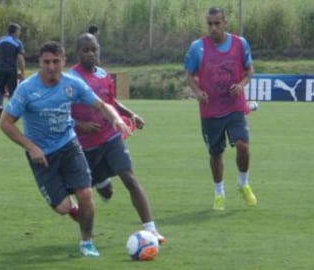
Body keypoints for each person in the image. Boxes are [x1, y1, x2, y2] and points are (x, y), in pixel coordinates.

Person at [0, 40, 130, 257]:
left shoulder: (72, 83)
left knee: (86, 194)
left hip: (69, 145)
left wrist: (116, 119)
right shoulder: (27, 89)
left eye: (55, 61)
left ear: (63, 62)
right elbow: (5, 123)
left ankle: (86, 242)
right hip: (41, 155)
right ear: (40, 62)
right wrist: (31, 147)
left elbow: (100, 104)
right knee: (62, 207)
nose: (51, 67)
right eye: (46, 62)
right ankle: (76, 211)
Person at [68, 33, 166, 244]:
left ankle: (152, 229)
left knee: (129, 178)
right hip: (84, 146)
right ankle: (100, 183)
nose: (91, 54)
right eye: (86, 50)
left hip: (110, 137)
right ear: (77, 53)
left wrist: (130, 114)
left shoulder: (104, 75)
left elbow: (110, 102)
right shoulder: (70, 79)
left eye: (94, 49)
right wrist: (81, 125)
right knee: (100, 192)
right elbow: (60, 111)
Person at [184, 7, 257, 211]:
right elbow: (189, 75)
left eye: (217, 23)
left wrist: (241, 86)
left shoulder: (240, 44)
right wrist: (198, 92)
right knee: (216, 154)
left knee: (243, 145)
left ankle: (243, 183)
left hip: (235, 106)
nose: (213, 28)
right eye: (210, 24)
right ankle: (219, 193)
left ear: (225, 23)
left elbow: (249, 70)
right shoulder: (197, 48)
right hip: (210, 110)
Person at [0, 23, 25, 121]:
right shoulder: (17, 42)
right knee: (12, 92)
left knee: (0, 89)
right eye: (19, 31)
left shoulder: (0, 40)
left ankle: (0, 106)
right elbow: (20, 58)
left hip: (1, 69)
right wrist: (22, 71)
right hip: (11, 69)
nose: (19, 33)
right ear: (15, 32)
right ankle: (9, 112)